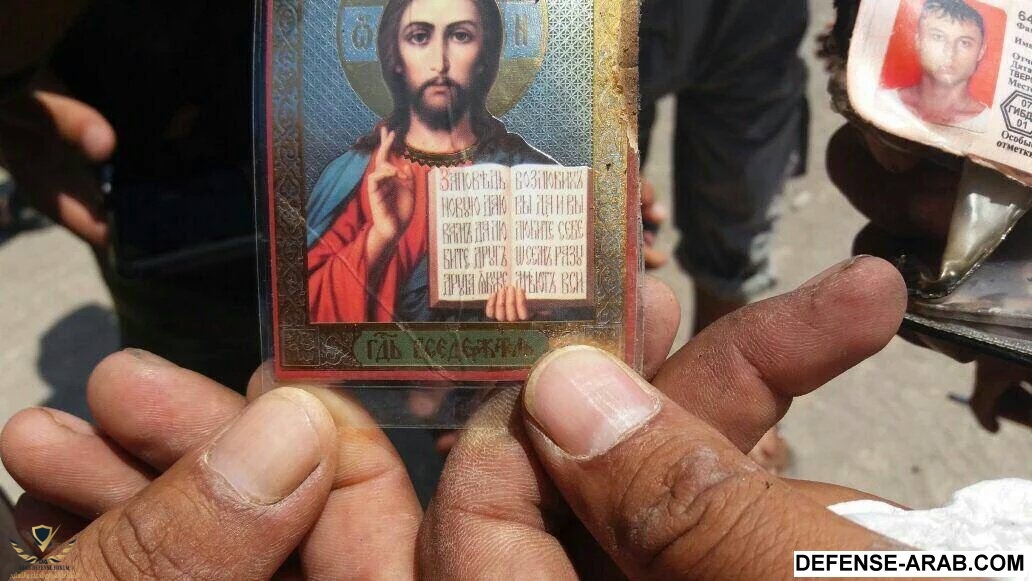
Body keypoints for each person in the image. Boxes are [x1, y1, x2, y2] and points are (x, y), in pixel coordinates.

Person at [307, 0, 552, 324]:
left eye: (461, 35)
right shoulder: (353, 177)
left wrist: (541, 308)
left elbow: (578, 303)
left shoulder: (529, 175)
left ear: (485, 54)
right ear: (395, 57)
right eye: (419, 37)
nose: (440, 63)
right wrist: (381, 235)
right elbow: (304, 316)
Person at [880, 0, 990, 132]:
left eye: (964, 43)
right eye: (938, 37)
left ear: (981, 52)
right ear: (918, 41)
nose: (949, 53)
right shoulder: (881, 101)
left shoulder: (991, 124)